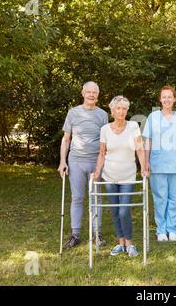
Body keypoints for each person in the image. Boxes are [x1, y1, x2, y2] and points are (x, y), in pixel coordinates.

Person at [93, 95, 146, 257]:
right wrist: (96, 173)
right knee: (115, 211)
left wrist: (144, 168)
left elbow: (139, 150)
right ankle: (121, 242)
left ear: (127, 110)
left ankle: (129, 244)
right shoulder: (105, 130)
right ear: (112, 110)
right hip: (109, 176)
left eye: (124, 108)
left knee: (124, 211)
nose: (121, 111)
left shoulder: (133, 127)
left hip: (128, 176)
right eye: (118, 108)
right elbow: (102, 154)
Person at [57, 81, 108, 249]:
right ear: (83, 93)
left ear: (98, 95)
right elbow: (66, 139)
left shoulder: (102, 115)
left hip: (95, 161)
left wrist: (103, 163)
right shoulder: (73, 113)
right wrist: (62, 161)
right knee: (77, 198)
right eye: (89, 92)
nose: (91, 95)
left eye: (95, 92)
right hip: (76, 161)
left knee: (96, 198)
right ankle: (75, 234)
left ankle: (97, 234)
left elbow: (105, 141)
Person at [143, 86, 176, 242]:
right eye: (164, 97)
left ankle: (172, 229)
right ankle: (161, 230)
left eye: (170, 97)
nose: (167, 100)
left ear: (174, 99)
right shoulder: (152, 117)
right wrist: (146, 162)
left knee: (174, 198)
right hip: (157, 164)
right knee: (160, 198)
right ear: (160, 99)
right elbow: (147, 141)